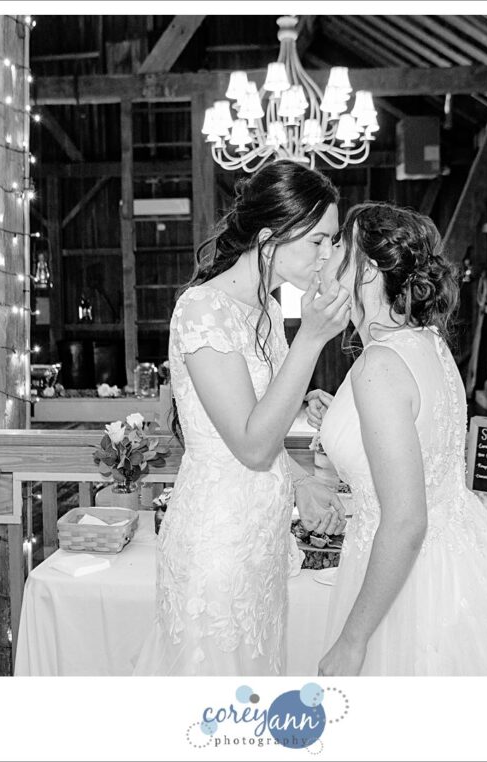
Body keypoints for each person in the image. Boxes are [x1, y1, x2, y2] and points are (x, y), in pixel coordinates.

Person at [314, 202, 487, 676]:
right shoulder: (428, 342)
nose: (324, 259)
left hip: (411, 590)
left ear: (366, 272)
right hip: (455, 571)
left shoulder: (380, 365)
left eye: (337, 248)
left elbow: (407, 520)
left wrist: (352, 640)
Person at [133, 160, 352, 676]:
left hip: (262, 541)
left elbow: (258, 415)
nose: (327, 256)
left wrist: (298, 473)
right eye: (317, 241)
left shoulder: (268, 309)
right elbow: (250, 445)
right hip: (218, 545)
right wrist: (312, 338)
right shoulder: (201, 310)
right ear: (270, 237)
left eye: (331, 241)